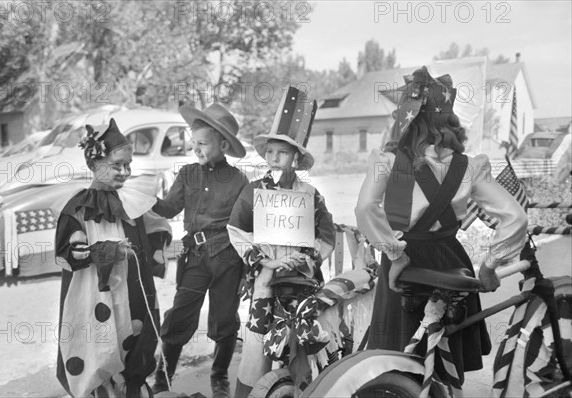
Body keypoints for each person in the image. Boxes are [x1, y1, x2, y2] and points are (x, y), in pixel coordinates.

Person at [354, 67, 528, 384]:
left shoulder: (387, 160)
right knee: (446, 356)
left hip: (405, 264)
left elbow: (365, 208)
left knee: (401, 354)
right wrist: (490, 264)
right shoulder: (469, 166)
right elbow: (515, 217)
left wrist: (395, 254)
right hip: (451, 260)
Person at [227, 86, 335, 398]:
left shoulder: (310, 194)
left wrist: (309, 257)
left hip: (301, 280)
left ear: (296, 158)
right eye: (271, 152)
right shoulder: (252, 191)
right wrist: (266, 261)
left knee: (301, 347)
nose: (275, 158)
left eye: (283, 152)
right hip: (265, 281)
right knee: (258, 348)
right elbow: (236, 230)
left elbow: (325, 233)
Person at [55, 118, 172, 397]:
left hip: (132, 297)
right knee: (100, 349)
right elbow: (65, 256)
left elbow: (157, 230)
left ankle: (132, 385)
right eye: (117, 164)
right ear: (95, 164)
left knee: (134, 340)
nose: (125, 172)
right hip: (95, 299)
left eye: (128, 165)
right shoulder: (77, 210)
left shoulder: (131, 202)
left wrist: (158, 245)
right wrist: (110, 251)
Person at [151, 103, 248, 397]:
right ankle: (162, 377)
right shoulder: (187, 174)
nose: (196, 148)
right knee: (180, 314)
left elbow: (245, 228)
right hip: (194, 257)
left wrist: (245, 271)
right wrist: (144, 199)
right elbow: (168, 208)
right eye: (194, 143)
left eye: (203, 143)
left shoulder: (239, 181)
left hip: (228, 259)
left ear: (222, 144)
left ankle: (219, 376)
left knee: (224, 318)